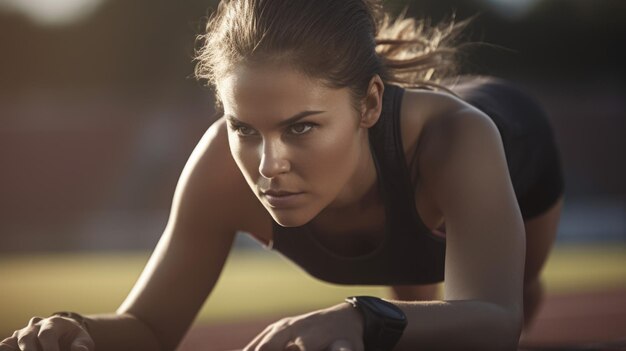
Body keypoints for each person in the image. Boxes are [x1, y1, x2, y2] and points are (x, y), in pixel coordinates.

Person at [0, 0, 565, 350]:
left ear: (369, 104)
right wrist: (78, 333)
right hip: (407, 212)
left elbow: (496, 321)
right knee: (412, 310)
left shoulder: (456, 140)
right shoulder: (220, 168)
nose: (269, 167)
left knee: (506, 291)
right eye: (244, 127)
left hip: (517, 148)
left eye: (300, 128)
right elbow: (148, 328)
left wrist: (361, 317)